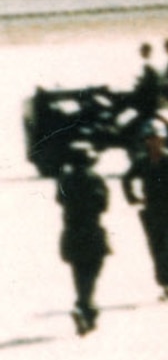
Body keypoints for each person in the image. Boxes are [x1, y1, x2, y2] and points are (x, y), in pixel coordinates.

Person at [122, 120, 168, 301]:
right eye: (151, 139)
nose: (155, 142)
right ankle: (164, 283)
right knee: (155, 247)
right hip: (151, 209)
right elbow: (126, 179)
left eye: (158, 139)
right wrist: (133, 198)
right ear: (146, 141)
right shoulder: (141, 161)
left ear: (164, 139)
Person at [56, 142, 111, 336]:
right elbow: (103, 204)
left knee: (79, 273)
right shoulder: (95, 179)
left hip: (71, 232)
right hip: (92, 231)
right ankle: (84, 306)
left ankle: (87, 310)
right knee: (92, 271)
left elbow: (60, 200)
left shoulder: (64, 180)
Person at [128, 41, 162, 119]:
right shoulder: (150, 63)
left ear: (146, 51)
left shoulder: (148, 64)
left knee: (124, 98)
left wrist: (138, 84)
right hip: (150, 94)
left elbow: (147, 82)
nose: (140, 53)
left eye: (142, 51)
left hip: (147, 96)